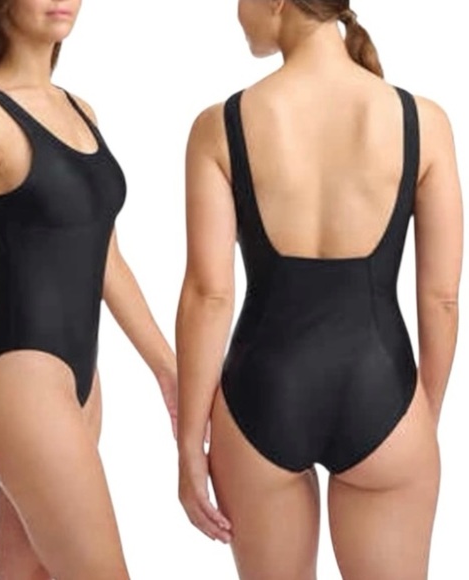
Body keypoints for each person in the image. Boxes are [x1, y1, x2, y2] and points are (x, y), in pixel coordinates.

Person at [176, 1, 463, 578]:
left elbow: (210, 295)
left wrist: (189, 442)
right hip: (382, 388)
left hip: (260, 397)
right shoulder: (422, 121)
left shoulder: (221, 125)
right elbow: (442, 298)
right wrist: (418, 420)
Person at [0, 1, 177, 579]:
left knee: (26, 574)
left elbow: (106, 258)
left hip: (79, 383)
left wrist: (167, 368)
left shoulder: (81, 111)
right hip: (18, 380)